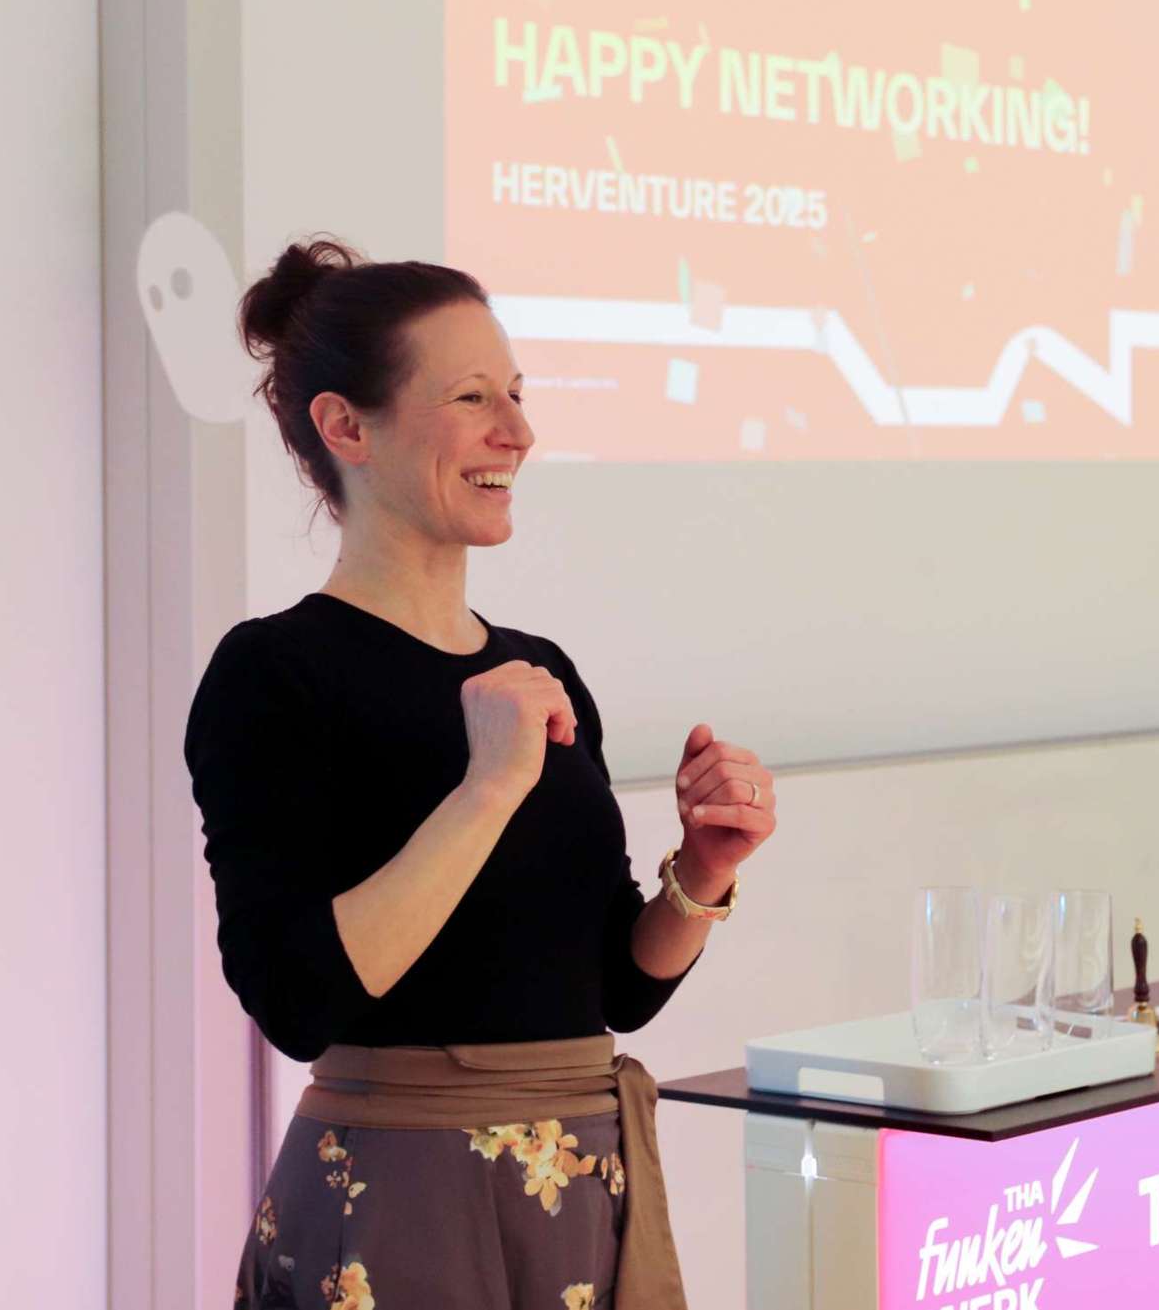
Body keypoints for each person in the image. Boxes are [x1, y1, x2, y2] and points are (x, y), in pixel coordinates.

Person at [186, 238, 775, 1309]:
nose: (518, 430)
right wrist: (485, 790)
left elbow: (612, 989)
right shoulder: (273, 675)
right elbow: (295, 1000)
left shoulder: (538, 670)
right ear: (346, 426)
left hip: (578, 1194)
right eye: (471, 396)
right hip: (393, 1205)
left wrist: (701, 871)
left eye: (516, 392)